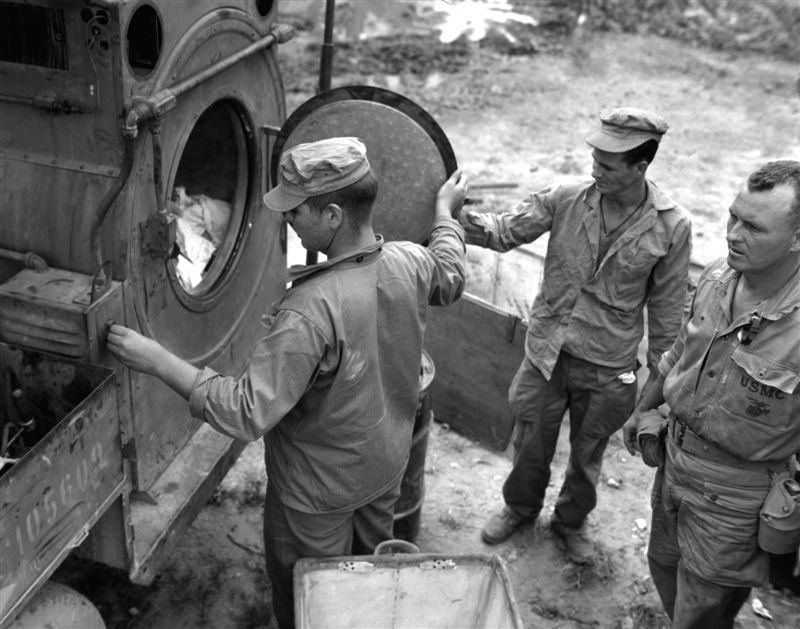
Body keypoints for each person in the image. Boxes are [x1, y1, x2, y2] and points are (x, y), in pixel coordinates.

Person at [107, 137, 468, 629]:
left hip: (315, 499)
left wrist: (155, 360)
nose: (287, 220)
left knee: (310, 600)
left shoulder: (310, 311)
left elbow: (243, 411)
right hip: (384, 472)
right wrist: (445, 214)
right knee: (367, 585)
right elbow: (450, 270)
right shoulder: (410, 260)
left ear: (334, 215)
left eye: (296, 212)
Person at [463, 107, 692, 564]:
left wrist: (656, 391)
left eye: (607, 166)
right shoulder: (567, 199)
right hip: (548, 351)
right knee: (530, 442)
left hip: (608, 365)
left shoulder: (672, 226)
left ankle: (570, 523)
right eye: (594, 159)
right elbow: (506, 231)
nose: (595, 171)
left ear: (641, 167)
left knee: (588, 456)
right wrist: (450, 218)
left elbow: (667, 317)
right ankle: (520, 508)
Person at [623, 160, 800, 627]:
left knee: (700, 605)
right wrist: (642, 407)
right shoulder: (721, 274)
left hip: (737, 495)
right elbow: (682, 349)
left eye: (754, 227)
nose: (733, 233)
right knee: (662, 563)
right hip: (673, 460)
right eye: (733, 216)